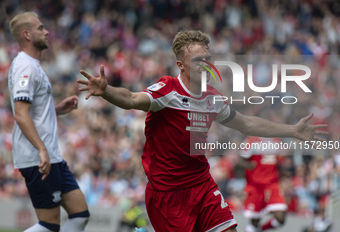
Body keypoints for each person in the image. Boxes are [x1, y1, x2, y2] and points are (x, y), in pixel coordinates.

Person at [77, 30, 327, 232]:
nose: (205, 64)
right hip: (167, 195)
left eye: (207, 58)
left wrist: (292, 130)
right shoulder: (168, 89)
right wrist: (107, 91)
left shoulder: (212, 99)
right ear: (181, 65)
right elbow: (132, 98)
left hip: (202, 185)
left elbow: (248, 124)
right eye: (198, 60)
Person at [8, 12, 90, 232]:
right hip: (39, 157)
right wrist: (41, 149)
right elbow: (20, 114)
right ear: (26, 34)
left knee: (80, 214)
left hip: (50, 155)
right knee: (49, 226)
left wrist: (56, 110)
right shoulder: (26, 67)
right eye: (40, 28)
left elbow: (31, 112)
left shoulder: (33, 65)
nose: (46, 32)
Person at [238, 136, 287, 232]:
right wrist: (248, 165)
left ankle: (261, 229)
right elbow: (240, 162)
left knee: (280, 217)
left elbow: (275, 161)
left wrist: (283, 172)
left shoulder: (277, 141)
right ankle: (254, 229)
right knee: (255, 221)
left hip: (272, 184)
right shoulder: (251, 140)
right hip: (256, 186)